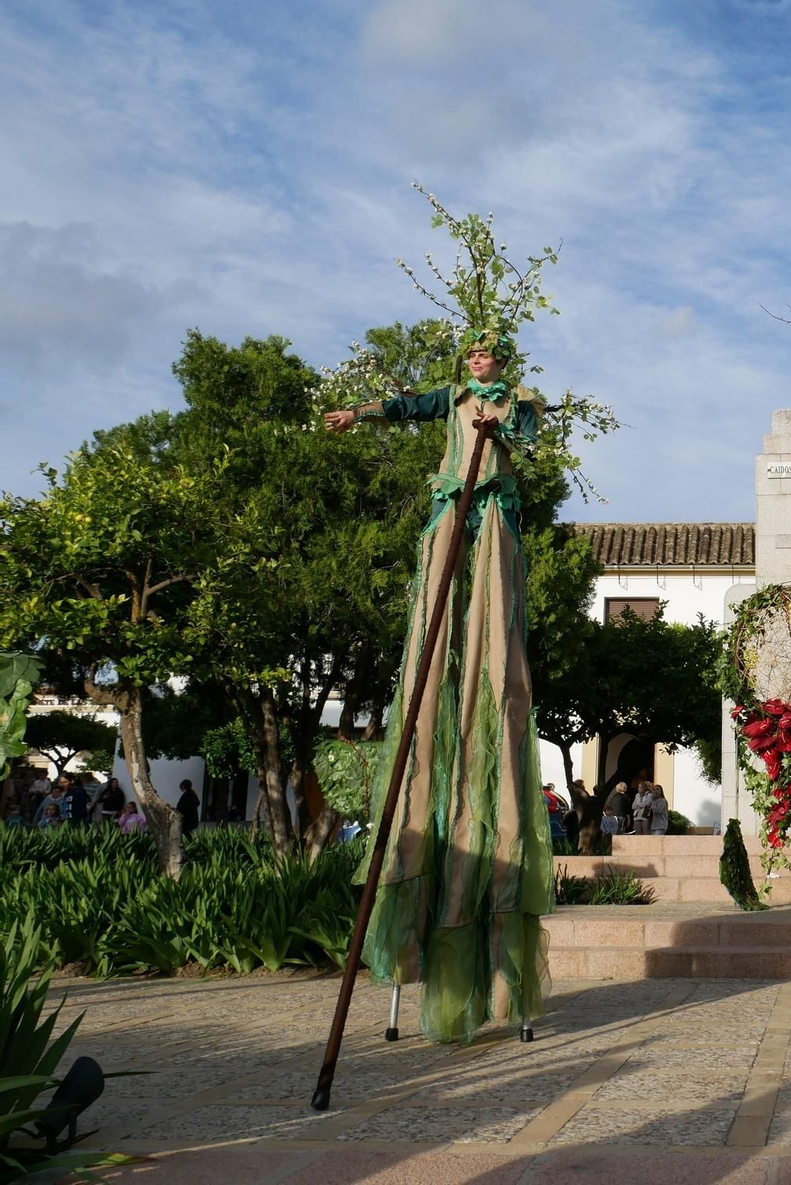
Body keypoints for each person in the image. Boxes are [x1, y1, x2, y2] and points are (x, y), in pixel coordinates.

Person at [323, 329, 552, 1045]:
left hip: (491, 526)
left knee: (494, 673)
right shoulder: (449, 398)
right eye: (473, 356)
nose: (479, 363)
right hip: (450, 517)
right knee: (429, 682)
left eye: (489, 356)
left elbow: (528, 435)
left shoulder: (519, 403)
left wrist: (501, 423)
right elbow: (406, 405)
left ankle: (496, 962)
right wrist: (357, 415)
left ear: (502, 362)